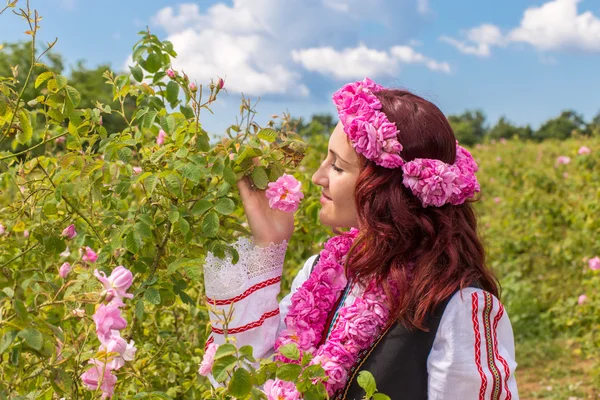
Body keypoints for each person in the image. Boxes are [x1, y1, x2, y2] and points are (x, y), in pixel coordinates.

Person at [203, 78, 519, 399]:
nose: (317, 177)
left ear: (383, 189)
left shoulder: (456, 305)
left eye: (337, 167)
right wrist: (267, 242)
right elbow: (253, 381)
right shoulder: (323, 273)